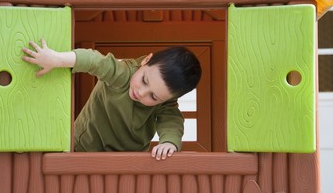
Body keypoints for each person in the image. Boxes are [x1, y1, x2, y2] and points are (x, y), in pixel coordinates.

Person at [22, 40, 201, 160]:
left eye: (153, 97)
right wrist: (57, 59)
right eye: (144, 80)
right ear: (146, 60)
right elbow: (95, 61)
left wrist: (169, 142)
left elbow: (172, 121)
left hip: (127, 158)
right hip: (84, 145)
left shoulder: (165, 103)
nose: (141, 92)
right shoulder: (122, 73)